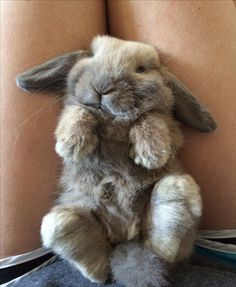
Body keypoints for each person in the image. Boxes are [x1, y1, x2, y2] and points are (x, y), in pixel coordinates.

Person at [1, 0, 236, 267]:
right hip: (222, 265)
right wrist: (79, 120)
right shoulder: (84, 110)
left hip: (32, 271)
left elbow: (163, 143)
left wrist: (149, 128)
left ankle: (161, 236)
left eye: (142, 70)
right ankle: (91, 245)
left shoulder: (152, 110)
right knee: (66, 225)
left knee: (172, 196)